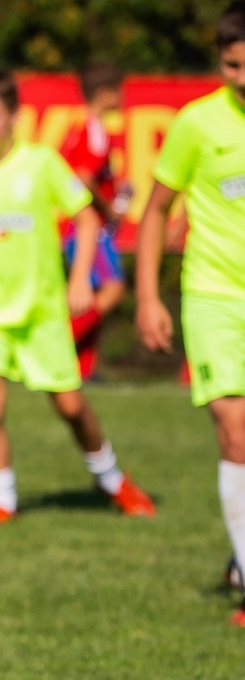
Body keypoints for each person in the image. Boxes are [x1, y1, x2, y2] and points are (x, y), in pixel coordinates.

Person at [0, 70, 155, 527]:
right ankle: (2, 500)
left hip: (42, 310)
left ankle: (113, 480)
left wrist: (79, 278)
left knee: (71, 407)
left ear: (13, 117)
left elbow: (86, 218)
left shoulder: (41, 163)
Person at [135, 1, 245, 628]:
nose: (244, 78)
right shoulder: (196, 124)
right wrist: (148, 296)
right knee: (235, 430)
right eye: (233, 66)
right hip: (213, 297)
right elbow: (155, 209)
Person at [57, 64, 129, 381]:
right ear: (104, 93)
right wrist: (109, 207)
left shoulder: (80, 126)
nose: (122, 98)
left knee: (90, 296)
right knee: (112, 290)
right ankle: (56, 347)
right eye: (118, 91)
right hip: (87, 227)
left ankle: (83, 369)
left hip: (80, 226)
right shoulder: (94, 130)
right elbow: (85, 177)